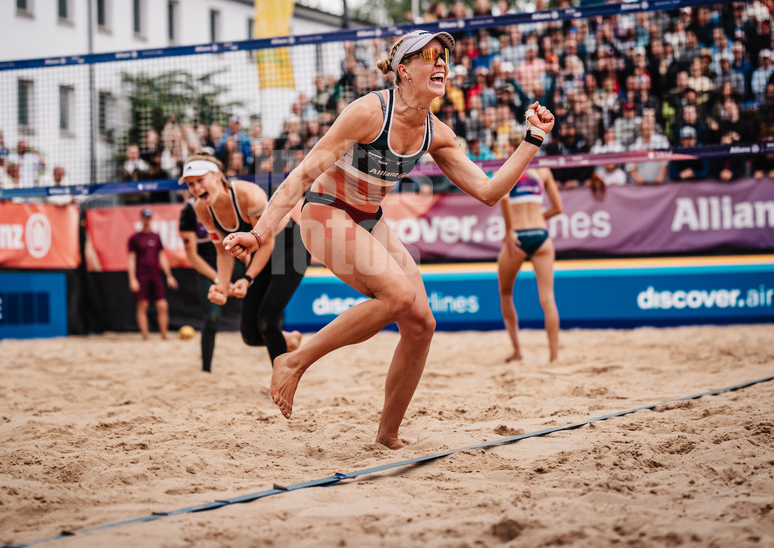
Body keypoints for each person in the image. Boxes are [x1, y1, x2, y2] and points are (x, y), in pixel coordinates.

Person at [222, 29, 556, 449]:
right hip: (325, 211)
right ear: (404, 71)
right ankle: (293, 360)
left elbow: (489, 192)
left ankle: (387, 435)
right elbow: (303, 174)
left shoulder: (436, 132)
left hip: (368, 217)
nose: (441, 63)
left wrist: (533, 140)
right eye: (430, 56)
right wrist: (258, 232)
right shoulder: (368, 112)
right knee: (398, 296)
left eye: (444, 57)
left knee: (422, 324)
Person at [180, 153, 306, 368]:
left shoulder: (249, 194)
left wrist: (247, 279)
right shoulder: (201, 209)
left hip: (290, 247)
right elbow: (222, 251)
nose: (195, 188)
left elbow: (266, 243)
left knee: (267, 321)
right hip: (261, 252)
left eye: (200, 180)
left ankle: (283, 376)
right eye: (190, 184)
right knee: (250, 335)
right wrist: (221, 285)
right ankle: (289, 340)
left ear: (218, 176)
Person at [497, 147, 563, 362]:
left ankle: (517, 351)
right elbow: (558, 208)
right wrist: (538, 219)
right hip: (541, 235)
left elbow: (504, 199)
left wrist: (509, 230)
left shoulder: (511, 168)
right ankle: (554, 357)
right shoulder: (544, 171)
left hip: (519, 236)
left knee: (506, 294)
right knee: (548, 298)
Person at [178, 194, 224, 372]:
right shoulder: (189, 210)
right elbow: (192, 256)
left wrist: (249, 273)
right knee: (212, 318)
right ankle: (206, 369)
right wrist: (218, 278)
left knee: (260, 310)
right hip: (206, 265)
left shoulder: (226, 200)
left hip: (231, 257)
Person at [127, 207, 179, 340]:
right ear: (141, 219)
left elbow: (162, 256)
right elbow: (131, 259)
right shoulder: (134, 238)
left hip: (155, 274)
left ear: (151, 219)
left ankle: (164, 335)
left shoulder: (156, 237)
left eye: (149, 217)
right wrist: (132, 278)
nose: (147, 220)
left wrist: (169, 275)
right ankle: (145, 335)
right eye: (145, 217)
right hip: (141, 274)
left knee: (162, 305)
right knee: (143, 304)